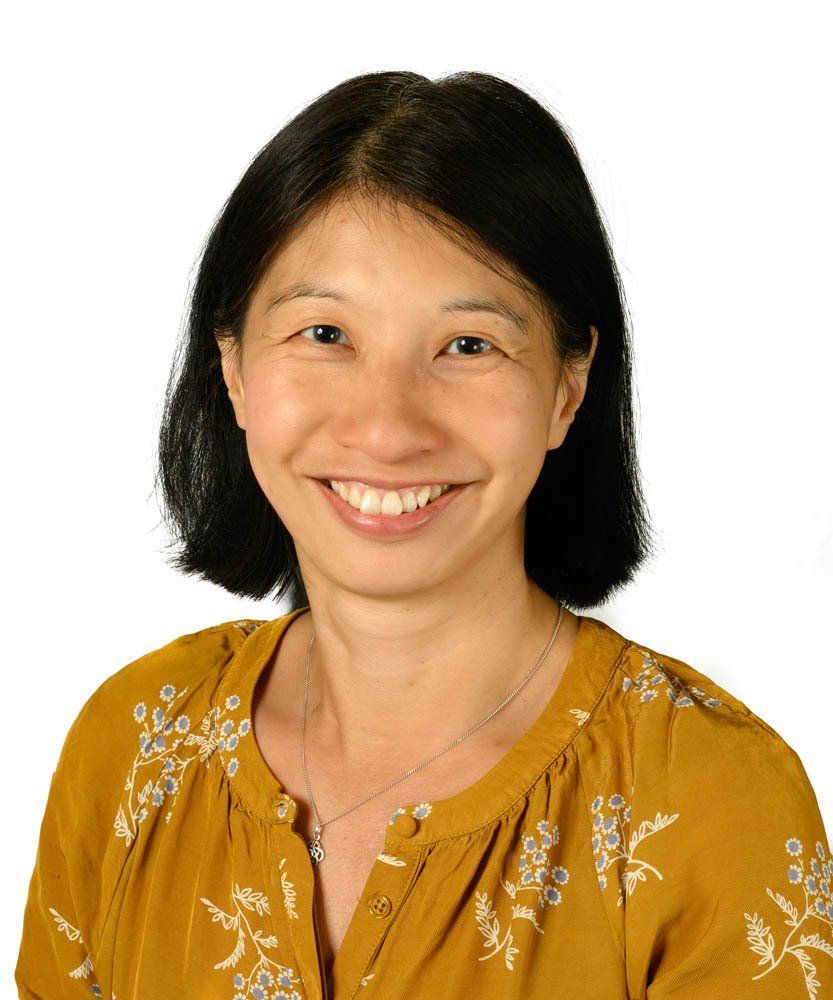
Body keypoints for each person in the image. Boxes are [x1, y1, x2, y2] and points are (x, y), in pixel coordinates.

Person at [16, 69, 832, 1000]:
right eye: (324, 334)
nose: (388, 426)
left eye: (468, 345)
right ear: (233, 367)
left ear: (568, 386)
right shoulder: (133, 745)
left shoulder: (707, 797)